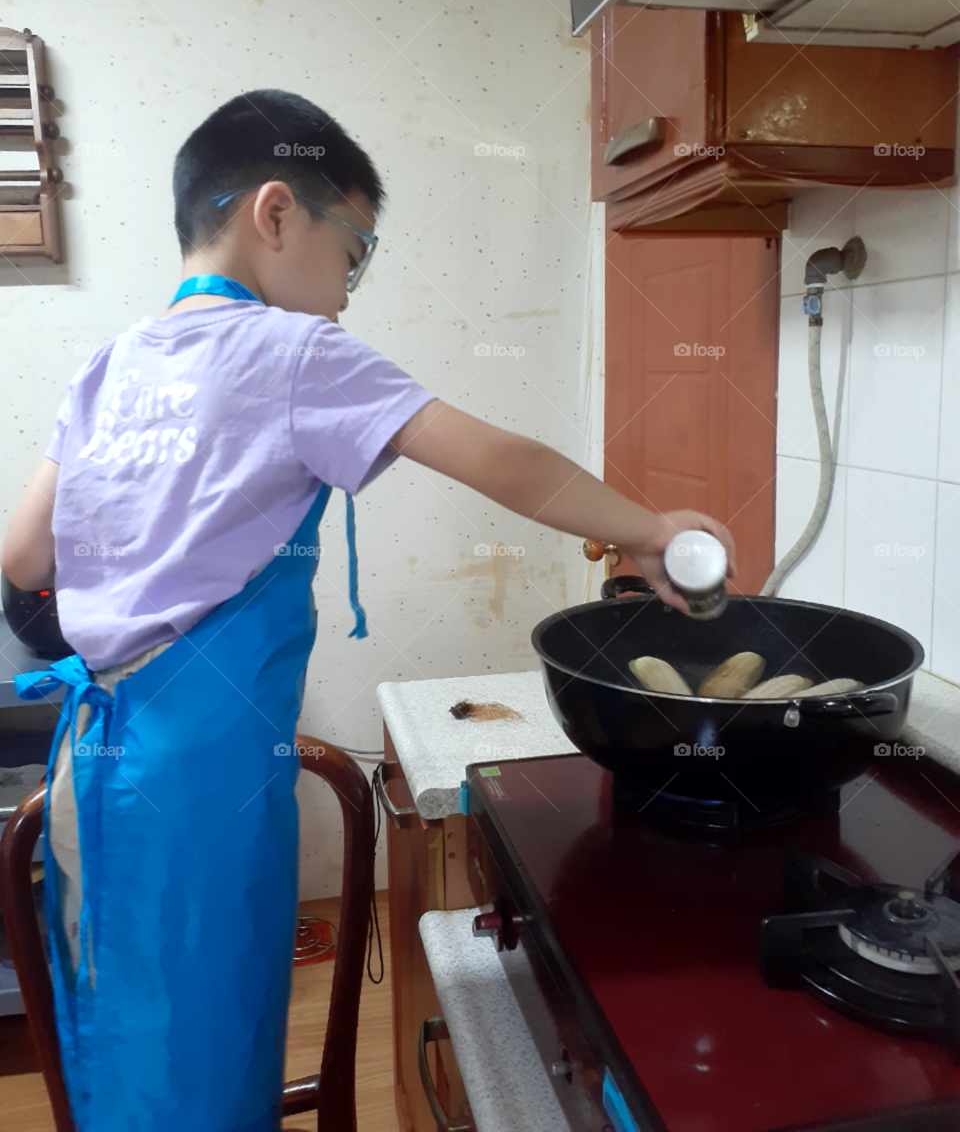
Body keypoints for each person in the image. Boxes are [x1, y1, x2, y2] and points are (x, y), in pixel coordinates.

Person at [1, 89, 735, 1132]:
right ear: (274, 213)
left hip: (98, 771)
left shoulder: (107, 364)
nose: (346, 294)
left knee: (130, 1045)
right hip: (201, 790)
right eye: (355, 252)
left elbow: (23, 555)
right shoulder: (296, 354)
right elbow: (505, 462)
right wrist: (650, 526)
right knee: (200, 1068)